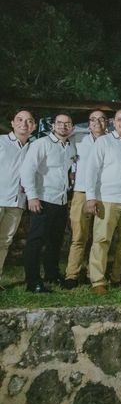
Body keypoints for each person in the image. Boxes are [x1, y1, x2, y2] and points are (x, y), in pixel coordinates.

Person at [20, 112, 76, 293]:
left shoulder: (69, 147)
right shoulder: (41, 144)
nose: (63, 126)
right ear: (53, 126)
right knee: (36, 241)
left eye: (67, 124)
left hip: (60, 200)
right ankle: (32, 281)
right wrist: (32, 196)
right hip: (42, 199)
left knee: (55, 241)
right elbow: (27, 171)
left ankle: (51, 274)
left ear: (72, 128)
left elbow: (66, 171)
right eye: (60, 123)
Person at [84, 109, 121, 295]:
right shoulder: (104, 142)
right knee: (102, 239)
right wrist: (91, 197)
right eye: (120, 120)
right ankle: (97, 280)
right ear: (113, 122)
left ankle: (117, 276)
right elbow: (91, 170)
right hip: (107, 199)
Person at [64, 109, 107, 289]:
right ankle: (72, 274)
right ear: (88, 123)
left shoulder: (111, 141)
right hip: (81, 193)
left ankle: (93, 273)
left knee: (99, 237)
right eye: (92, 119)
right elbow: (67, 159)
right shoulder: (78, 140)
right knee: (79, 235)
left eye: (101, 119)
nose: (97, 122)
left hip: (103, 194)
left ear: (107, 122)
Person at [0, 109, 36, 289]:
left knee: (4, 241)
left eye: (29, 121)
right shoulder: (1, 142)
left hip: (17, 202)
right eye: (20, 120)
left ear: (34, 126)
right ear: (12, 123)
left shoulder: (34, 147)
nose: (24, 124)